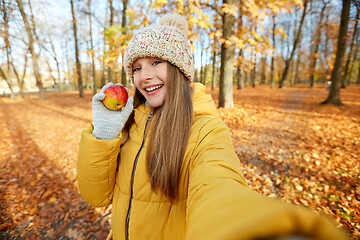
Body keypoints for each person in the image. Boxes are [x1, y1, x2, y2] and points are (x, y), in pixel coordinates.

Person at [77, 14, 347, 240]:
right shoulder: (130, 122)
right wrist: (104, 134)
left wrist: (254, 229)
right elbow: (97, 197)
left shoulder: (205, 129)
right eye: (136, 68)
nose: (144, 76)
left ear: (180, 69)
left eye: (156, 62)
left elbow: (219, 186)